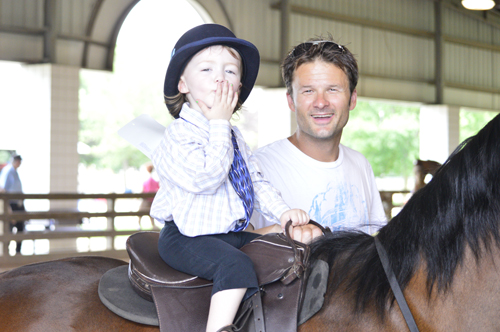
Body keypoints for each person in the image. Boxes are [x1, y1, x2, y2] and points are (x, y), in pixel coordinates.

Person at [150, 24, 310, 332]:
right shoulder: (178, 135)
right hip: (186, 237)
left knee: (282, 241)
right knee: (234, 264)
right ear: (183, 83)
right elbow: (206, 178)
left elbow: (256, 181)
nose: (220, 77)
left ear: (237, 87)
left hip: (226, 233)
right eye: (207, 69)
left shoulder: (234, 136)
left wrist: (283, 212)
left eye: (231, 71)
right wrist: (220, 124)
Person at [250, 37, 387, 236]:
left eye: (332, 89)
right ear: (291, 101)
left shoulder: (360, 165)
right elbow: (235, 248)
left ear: (352, 99)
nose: (320, 102)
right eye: (308, 91)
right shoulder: (259, 168)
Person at [0, 155, 25, 254]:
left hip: (18, 203)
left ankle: (18, 251)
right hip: (12, 204)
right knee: (9, 229)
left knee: (20, 228)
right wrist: (8, 208)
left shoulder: (15, 172)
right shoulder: (8, 171)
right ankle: (7, 252)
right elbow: (3, 190)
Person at [138, 162, 159, 228]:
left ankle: (139, 225)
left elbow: (144, 190)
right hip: (152, 199)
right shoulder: (154, 180)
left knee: (141, 211)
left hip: (147, 199)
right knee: (150, 212)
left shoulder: (147, 180)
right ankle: (153, 225)